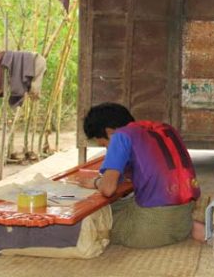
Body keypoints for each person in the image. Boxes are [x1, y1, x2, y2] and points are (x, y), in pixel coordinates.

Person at [81, 102, 200, 248]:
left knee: (98, 219)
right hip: (184, 217)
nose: (107, 149)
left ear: (110, 132)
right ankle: (188, 228)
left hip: (148, 230)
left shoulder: (120, 136)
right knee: (120, 205)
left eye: (104, 144)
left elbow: (108, 189)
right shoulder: (166, 129)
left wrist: (96, 182)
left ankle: (165, 230)